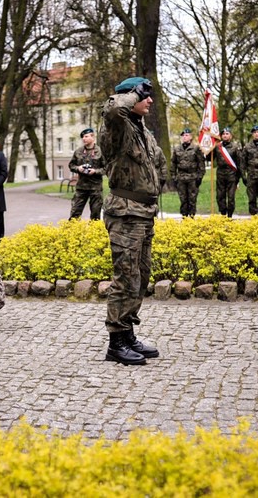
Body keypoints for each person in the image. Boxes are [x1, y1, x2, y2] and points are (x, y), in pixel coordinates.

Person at [97, 76, 161, 366]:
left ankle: (129, 332)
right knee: (125, 277)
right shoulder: (117, 124)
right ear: (129, 97)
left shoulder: (140, 128)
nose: (149, 100)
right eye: (143, 95)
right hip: (124, 213)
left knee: (141, 276)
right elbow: (113, 109)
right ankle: (116, 342)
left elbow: (154, 162)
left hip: (143, 212)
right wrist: (130, 94)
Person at [68, 127, 105, 220]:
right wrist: (78, 168)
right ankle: (72, 232)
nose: (84, 139)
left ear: (93, 137)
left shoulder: (100, 151)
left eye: (86, 136)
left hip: (95, 188)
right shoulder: (78, 151)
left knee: (95, 215)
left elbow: (107, 168)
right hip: (81, 187)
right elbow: (71, 165)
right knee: (74, 213)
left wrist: (95, 171)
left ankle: (94, 233)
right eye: (83, 137)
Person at [170, 128, 205, 217]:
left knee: (192, 199)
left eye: (186, 135)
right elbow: (173, 163)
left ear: (191, 137)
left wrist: (200, 177)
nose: (184, 137)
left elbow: (201, 163)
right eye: (183, 136)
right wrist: (174, 177)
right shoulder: (177, 149)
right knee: (183, 199)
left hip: (192, 177)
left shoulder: (196, 148)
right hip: (181, 177)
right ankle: (184, 217)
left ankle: (192, 217)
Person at [214, 127, 243, 218]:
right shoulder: (217, 147)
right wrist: (208, 149)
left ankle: (230, 215)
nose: (225, 136)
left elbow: (239, 163)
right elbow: (209, 158)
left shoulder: (235, 147)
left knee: (230, 198)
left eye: (227, 134)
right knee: (220, 196)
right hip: (220, 174)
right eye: (223, 134)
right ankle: (223, 214)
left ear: (230, 136)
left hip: (232, 175)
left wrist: (238, 178)